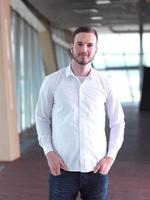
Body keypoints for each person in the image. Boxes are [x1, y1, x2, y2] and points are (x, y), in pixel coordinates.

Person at [35, 26, 125, 200]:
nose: (84, 49)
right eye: (80, 44)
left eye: (90, 45)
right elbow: (41, 118)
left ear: (96, 49)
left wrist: (110, 157)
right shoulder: (52, 82)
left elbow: (118, 122)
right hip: (62, 169)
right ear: (72, 46)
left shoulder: (105, 83)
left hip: (97, 169)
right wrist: (48, 152)